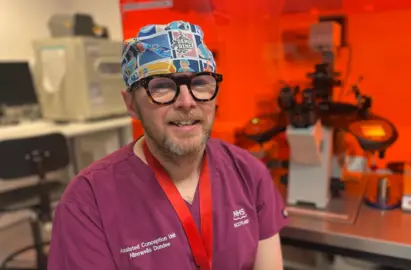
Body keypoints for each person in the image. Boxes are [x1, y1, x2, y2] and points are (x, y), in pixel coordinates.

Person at [47, 20, 288, 270]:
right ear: (131, 104)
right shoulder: (88, 203)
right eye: (161, 86)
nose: (187, 102)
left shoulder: (248, 174)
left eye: (200, 83)